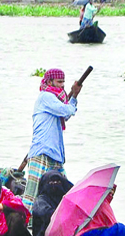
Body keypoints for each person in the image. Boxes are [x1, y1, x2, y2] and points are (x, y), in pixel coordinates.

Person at [21, 68, 83, 212]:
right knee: (32, 194)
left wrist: (74, 96)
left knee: (64, 192)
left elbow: (65, 115)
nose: (62, 85)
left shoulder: (58, 100)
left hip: (55, 154)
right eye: (59, 82)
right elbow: (67, 110)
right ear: (49, 82)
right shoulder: (46, 97)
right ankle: (24, 223)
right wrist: (73, 97)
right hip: (42, 151)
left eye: (63, 82)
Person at [30, 170, 73, 236]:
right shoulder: (40, 200)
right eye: (51, 182)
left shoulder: (66, 199)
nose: (54, 184)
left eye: (58, 182)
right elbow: (45, 213)